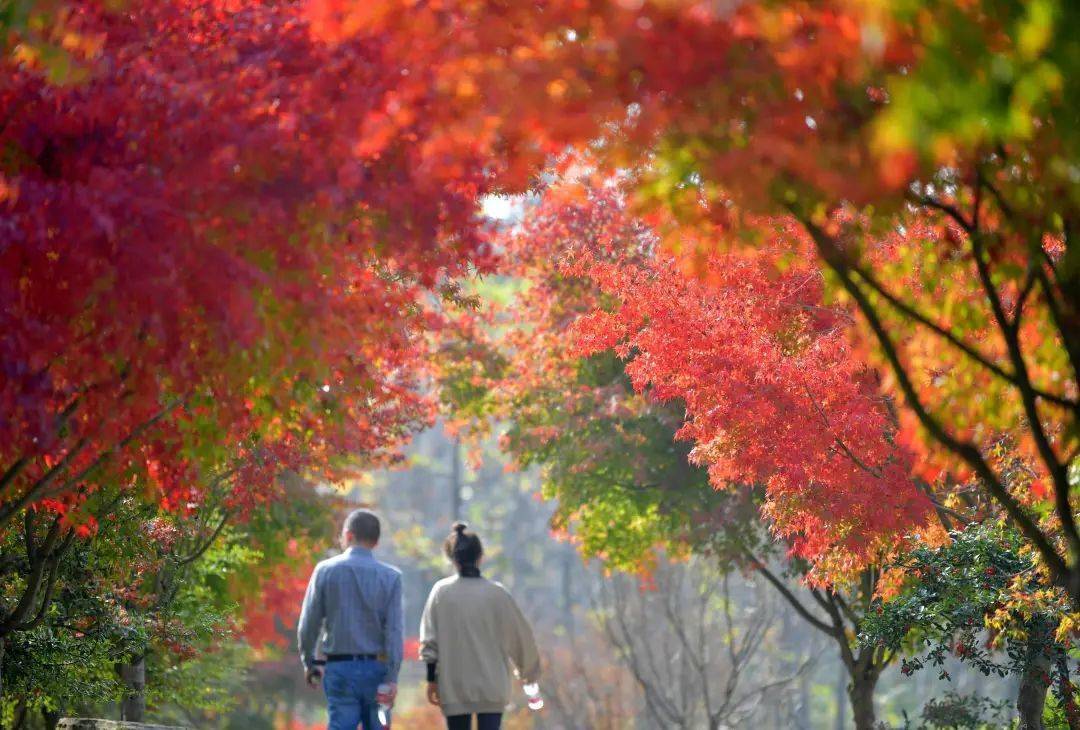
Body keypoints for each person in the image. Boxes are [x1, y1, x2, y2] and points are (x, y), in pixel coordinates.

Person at [419, 522, 540, 730]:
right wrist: (529, 674)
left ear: (452, 559)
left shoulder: (441, 593)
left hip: (454, 686)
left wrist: (432, 680)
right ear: (480, 557)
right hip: (492, 687)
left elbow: (430, 642)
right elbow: (521, 637)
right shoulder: (497, 594)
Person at [298, 508, 404, 730]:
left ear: (348, 535)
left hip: (339, 668)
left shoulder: (325, 571)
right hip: (378, 670)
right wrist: (392, 676)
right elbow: (393, 632)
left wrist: (310, 662)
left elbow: (309, 623)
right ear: (376, 542)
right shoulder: (391, 577)